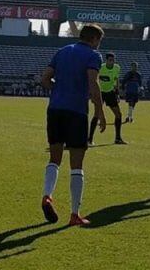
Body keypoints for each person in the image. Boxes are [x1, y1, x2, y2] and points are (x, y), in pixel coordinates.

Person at [39, 23, 106, 226]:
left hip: (55, 109)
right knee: (77, 163)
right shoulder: (93, 56)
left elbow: (44, 79)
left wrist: (60, 90)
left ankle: (47, 195)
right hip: (76, 112)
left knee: (55, 158)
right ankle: (74, 214)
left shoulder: (62, 51)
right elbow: (93, 82)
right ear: (94, 39)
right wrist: (100, 111)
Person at [88, 53, 124, 145]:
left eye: (113, 60)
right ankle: (89, 139)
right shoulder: (100, 67)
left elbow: (116, 80)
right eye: (110, 60)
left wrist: (117, 93)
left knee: (118, 114)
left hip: (110, 92)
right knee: (97, 114)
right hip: (100, 92)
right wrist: (93, 94)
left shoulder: (117, 68)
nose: (111, 62)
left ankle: (118, 138)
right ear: (106, 60)